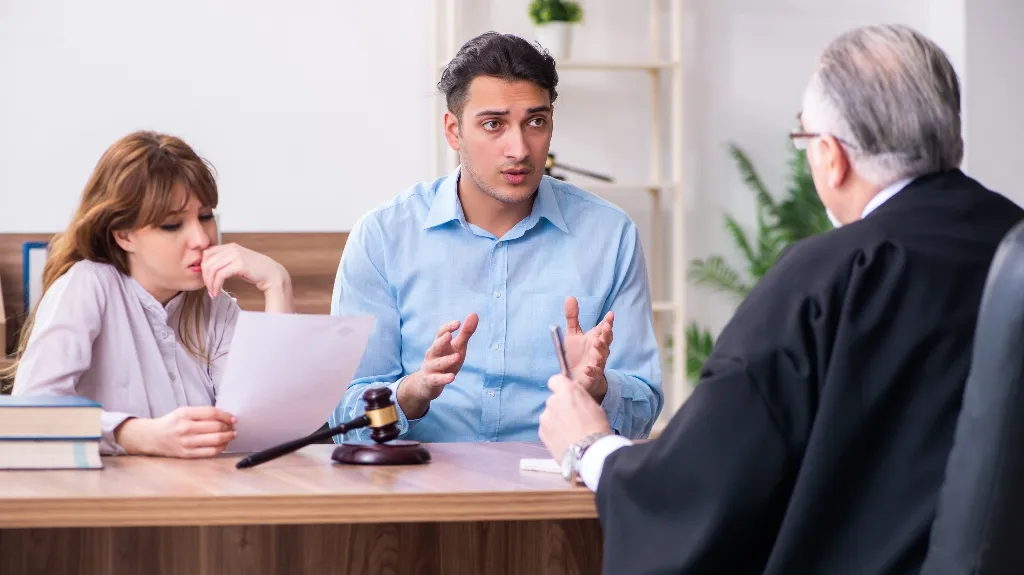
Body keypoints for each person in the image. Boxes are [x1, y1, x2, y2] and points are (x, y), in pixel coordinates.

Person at [538, 24, 1024, 574]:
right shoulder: (1016, 245)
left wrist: (589, 446)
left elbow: (702, 485)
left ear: (830, 156)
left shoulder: (827, 276)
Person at [330, 31, 662, 443]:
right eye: (493, 124)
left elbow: (643, 411)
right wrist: (413, 391)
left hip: (560, 492)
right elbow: (343, 417)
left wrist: (596, 386)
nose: (519, 149)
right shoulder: (382, 236)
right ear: (453, 130)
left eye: (535, 122)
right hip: (420, 494)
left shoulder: (610, 236)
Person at [8, 131, 296, 458]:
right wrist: (134, 434)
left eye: (205, 217)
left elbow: (270, 426)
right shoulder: (88, 285)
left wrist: (277, 283)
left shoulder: (217, 305)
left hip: (203, 496)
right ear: (123, 235)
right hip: (107, 501)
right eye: (172, 225)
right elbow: (28, 415)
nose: (201, 238)